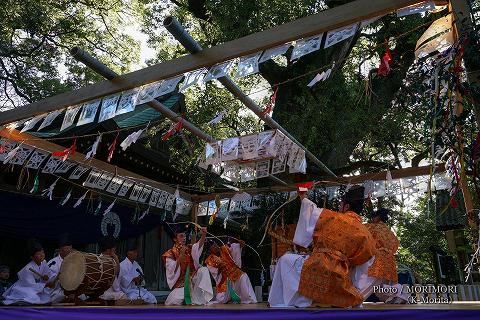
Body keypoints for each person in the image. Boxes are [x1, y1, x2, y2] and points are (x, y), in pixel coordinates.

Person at [268, 185, 377, 308]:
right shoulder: (366, 234)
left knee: (285, 260)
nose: (339, 207)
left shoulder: (331, 216)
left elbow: (309, 211)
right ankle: (338, 299)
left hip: (316, 266)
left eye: (341, 204)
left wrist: (303, 196)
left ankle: (287, 302)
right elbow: (363, 267)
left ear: (346, 206)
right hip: (339, 279)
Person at [358, 209, 409, 303]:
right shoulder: (389, 232)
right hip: (390, 262)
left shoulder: (371, 227)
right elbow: (396, 244)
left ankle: (352, 300)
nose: (372, 219)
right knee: (381, 287)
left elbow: (359, 235)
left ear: (377, 217)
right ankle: (401, 294)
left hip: (377, 260)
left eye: (373, 217)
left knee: (363, 285)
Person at [162, 225, 213, 305]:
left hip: (192, 280)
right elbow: (171, 270)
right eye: (181, 236)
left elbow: (198, 246)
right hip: (181, 284)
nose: (184, 238)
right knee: (175, 300)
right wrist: (180, 256)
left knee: (204, 270)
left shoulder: (189, 248)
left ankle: (196, 299)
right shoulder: (170, 253)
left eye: (185, 236)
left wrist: (203, 235)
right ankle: (191, 298)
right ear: (175, 239)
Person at [2, 239, 54, 305]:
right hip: (24, 287)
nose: (42, 255)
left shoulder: (44, 262)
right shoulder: (27, 269)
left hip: (37, 287)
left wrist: (47, 278)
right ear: (32, 257)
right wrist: (45, 284)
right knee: (32, 296)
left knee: (47, 296)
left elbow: (47, 275)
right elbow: (30, 285)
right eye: (38, 253)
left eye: (43, 252)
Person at [205, 240, 257, 304]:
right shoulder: (209, 259)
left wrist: (239, 245)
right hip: (224, 278)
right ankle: (229, 298)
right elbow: (215, 273)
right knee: (221, 299)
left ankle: (248, 299)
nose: (215, 247)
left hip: (235, 271)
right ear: (210, 250)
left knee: (243, 276)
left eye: (215, 245)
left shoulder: (225, 249)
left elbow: (234, 248)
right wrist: (218, 265)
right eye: (213, 247)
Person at [98, 236, 128, 302]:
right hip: (103, 292)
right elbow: (116, 273)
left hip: (112, 291)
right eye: (114, 247)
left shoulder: (112, 259)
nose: (115, 249)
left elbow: (117, 274)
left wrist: (116, 259)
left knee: (124, 296)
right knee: (122, 297)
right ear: (108, 249)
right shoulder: (99, 260)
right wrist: (116, 259)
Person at [46, 233, 73, 303]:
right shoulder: (53, 263)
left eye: (70, 247)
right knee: (61, 296)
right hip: (57, 291)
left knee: (82, 296)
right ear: (61, 249)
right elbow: (50, 282)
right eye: (67, 248)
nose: (70, 250)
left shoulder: (74, 261)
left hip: (72, 290)